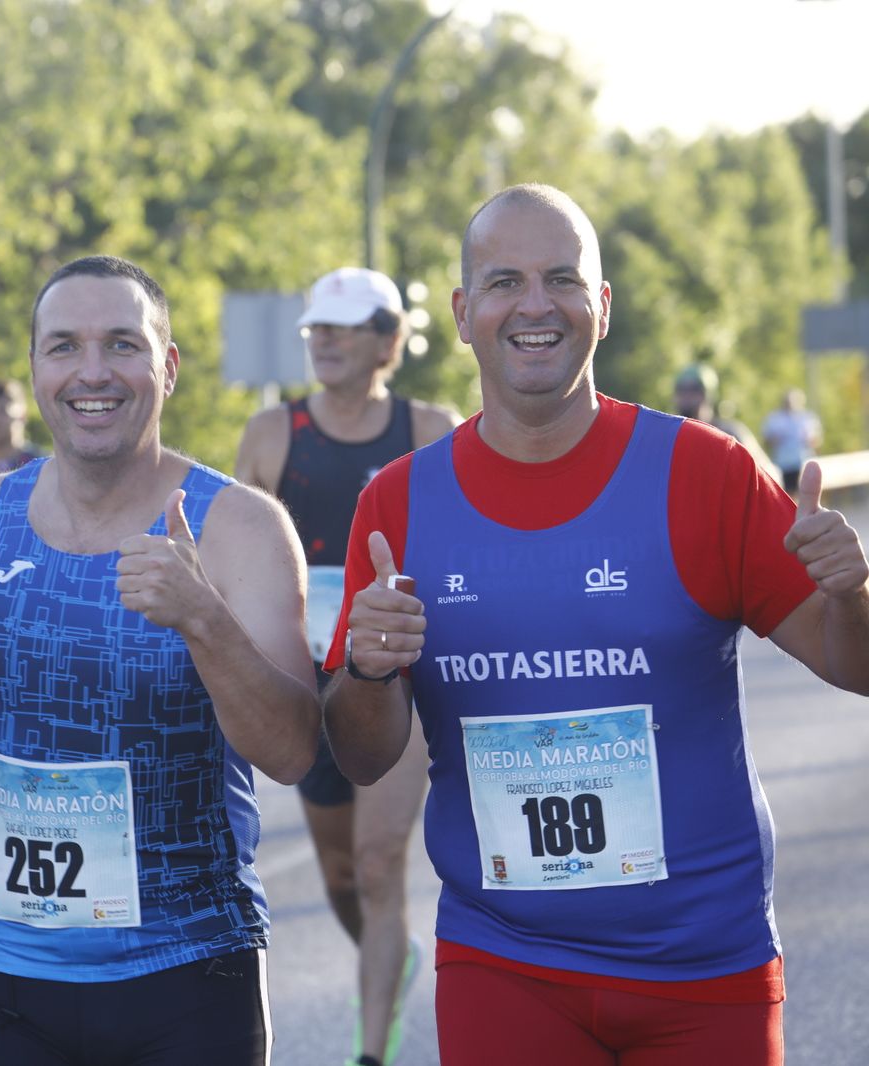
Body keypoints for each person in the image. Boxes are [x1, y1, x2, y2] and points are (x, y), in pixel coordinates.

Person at [326, 183, 869, 1066]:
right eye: (504, 282)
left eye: (563, 280)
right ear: (463, 314)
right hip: (505, 960)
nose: (535, 306)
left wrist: (850, 594)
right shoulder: (398, 502)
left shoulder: (706, 473)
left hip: (703, 964)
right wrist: (369, 670)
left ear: (602, 308)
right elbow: (361, 753)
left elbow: (856, 665)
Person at [0, 255, 320, 1065]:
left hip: (186, 974)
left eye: (122, 345)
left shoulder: (239, 527)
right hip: (4, 976)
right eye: (63, 347)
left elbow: (293, 751)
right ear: (36, 368)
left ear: (167, 366)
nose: (92, 373)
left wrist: (202, 620)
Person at [234, 266, 458, 1066]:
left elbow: (466, 550)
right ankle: (388, 956)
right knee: (339, 872)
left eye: (343, 326)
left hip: (393, 683)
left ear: (388, 340)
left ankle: (371, 1053)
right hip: (307, 684)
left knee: (374, 862)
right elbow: (239, 558)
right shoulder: (272, 435)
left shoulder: (430, 428)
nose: (323, 340)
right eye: (314, 328)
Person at [671, 364, 779, 481]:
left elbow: (769, 475)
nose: (686, 396)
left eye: (694, 389)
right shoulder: (670, 436)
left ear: (707, 394)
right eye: (681, 389)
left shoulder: (730, 434)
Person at [761, 386, 823, 495]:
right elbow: (767, 441)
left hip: (804, 461)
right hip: (784, 463)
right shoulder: (775, 419)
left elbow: (816, 440)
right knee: (789, 492)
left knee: (806, 492)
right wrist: (775, 440)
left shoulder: (807, 418)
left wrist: (809, 441)